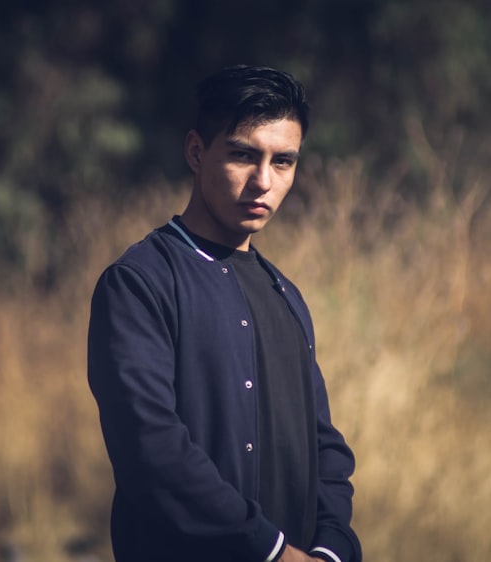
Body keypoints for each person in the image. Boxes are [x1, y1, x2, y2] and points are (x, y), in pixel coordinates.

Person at [87, 65, 362, 562]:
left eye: (283, 162)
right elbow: (151, 451)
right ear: (196, 151)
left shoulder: (287, 296)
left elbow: (325, 449)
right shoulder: (140, 283)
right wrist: (272, 551)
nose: (263, 181)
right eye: (242, 154)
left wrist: (330, 549)